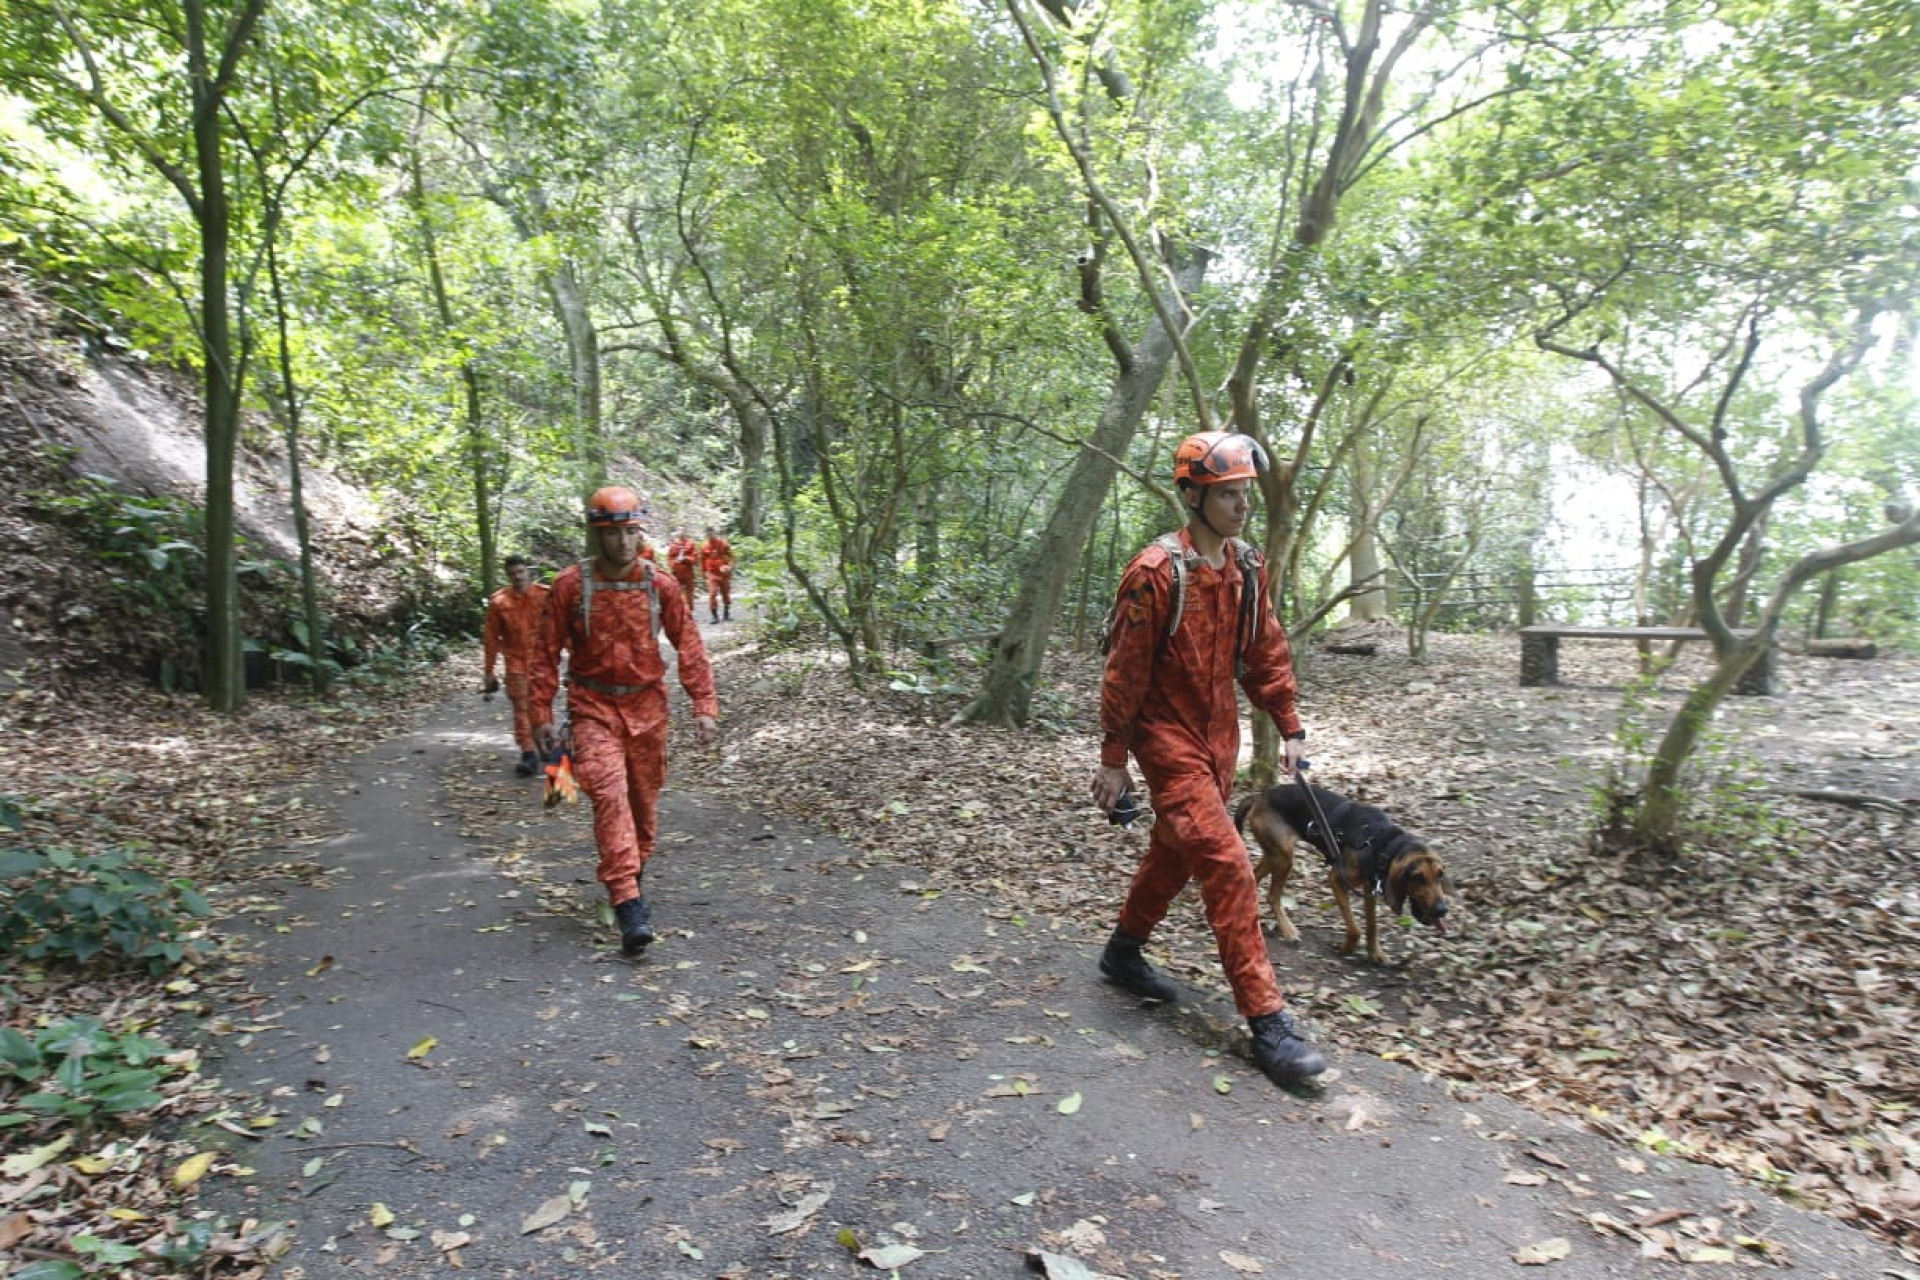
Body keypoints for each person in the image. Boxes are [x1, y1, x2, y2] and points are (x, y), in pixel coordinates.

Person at [1088, 430, 1327, 1088]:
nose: (1241, 505)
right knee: (1226, 864)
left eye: (1246, 493)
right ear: (1193, 496)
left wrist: (1289, 723)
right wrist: (1115, 759)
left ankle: (1123, 953)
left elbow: (1265, 651)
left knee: (1175, 851)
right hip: (1166, 740)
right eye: (1228, 494)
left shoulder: (1247, 569)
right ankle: (1268, 1023)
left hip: (1220, 738)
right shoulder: (1155, 574)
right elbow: (1124, 674)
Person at [529, 486, 719, 956]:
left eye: (631, 532)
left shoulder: (661, 586)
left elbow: (689, 644)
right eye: (612, 534)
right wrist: (540, 714)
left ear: (641, 533)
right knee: (610, 795)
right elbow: (545, 652)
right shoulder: (572, 587)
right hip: (593, 708)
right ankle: (628, 903)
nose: (623, 543)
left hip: (648, 711)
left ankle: (632, 870)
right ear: (596, 536)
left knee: (643, 806)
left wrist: (704, 707)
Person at [482, 554, 552, 776]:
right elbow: (491, 638)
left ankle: (544, 745)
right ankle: (528, 752)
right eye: (513, 574)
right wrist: (489, 672)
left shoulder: (545, 596)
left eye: (521, 572)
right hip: (516, 663)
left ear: (528, 572)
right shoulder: (500, 602)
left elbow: (559, 629)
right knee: (522, 707)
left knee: (541, 706)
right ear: (507, 576)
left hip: (543, 662)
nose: (518, 577)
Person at [700, 526, 734, 623]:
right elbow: (702, 560)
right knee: (712, 593)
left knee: (726, 593)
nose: (710, 535)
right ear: (706, 535)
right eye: (708, 534)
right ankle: (714, 616)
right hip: (712, 573)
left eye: (711, 533)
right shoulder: (705, 546)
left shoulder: (723, 544)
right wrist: (703, 572)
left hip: (723, 574)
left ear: (715, 533)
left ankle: (726, 614)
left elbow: (731, 557)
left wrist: (729, 567)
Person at [666, 528, 700, 601]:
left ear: (685, 532)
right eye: (679, 530)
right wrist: (675, 562)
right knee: (677, 593)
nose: (681, 532)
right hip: (677, 573)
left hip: (688, 573)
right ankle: (679, 611)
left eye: (682, 530)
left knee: (689, 595)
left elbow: (695, 558)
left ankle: (689, 610)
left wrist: (686, 558)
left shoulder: (690, 544)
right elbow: (669, 558)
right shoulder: (673, 545)